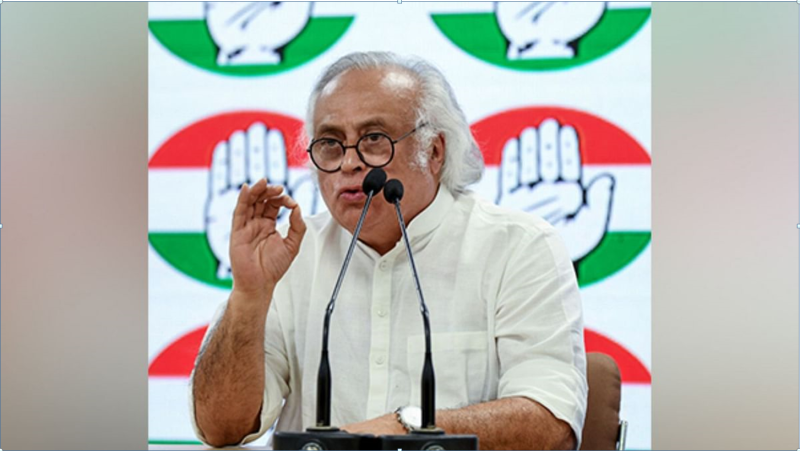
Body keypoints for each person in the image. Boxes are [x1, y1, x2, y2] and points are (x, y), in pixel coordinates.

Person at [189, 51, 587, 450]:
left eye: (374, 140)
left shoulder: (518, 247)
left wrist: (405, 429)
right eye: (330, 144)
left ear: (434, 151)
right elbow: (221, 428)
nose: (349, 163)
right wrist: (249, 296)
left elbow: (550, 423)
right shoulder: (290, 256)